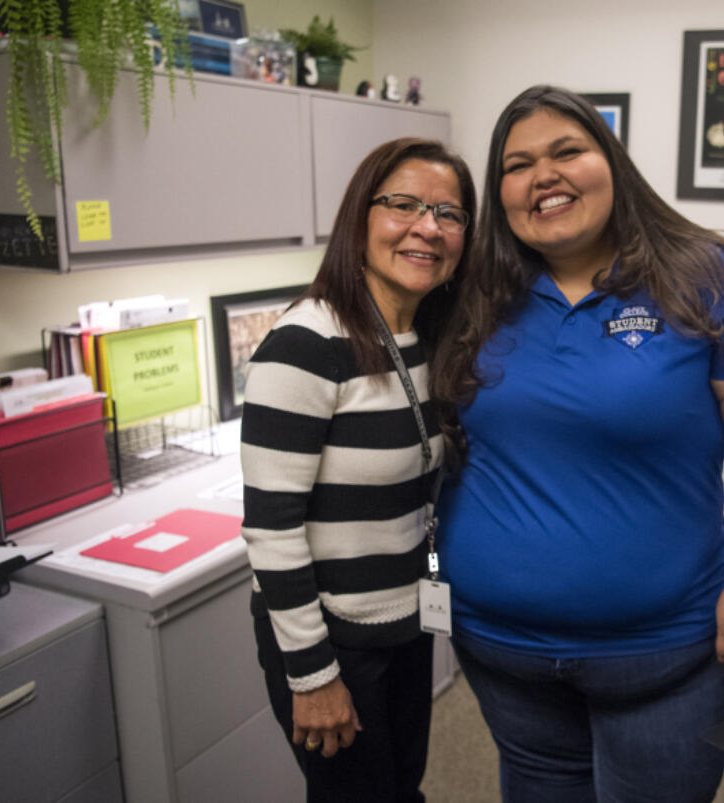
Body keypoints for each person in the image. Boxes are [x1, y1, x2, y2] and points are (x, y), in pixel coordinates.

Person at [431, 86, 724, 803]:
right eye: (519, 164)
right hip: (502, 654)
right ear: (500, 191)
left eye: (567, 150)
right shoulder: (473, 290)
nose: (545, 174)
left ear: (614, 163)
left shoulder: (711, 276)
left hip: (660, 655)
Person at [241, 137, 475, 802]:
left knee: (403, 787)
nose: (427, 227)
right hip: (333, 634)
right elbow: (271, 529)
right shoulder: (306, 344)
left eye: (448, 213)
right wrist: (312, 674)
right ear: (360, 216)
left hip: (406, 619)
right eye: (403, 204)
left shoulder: (429, 336)